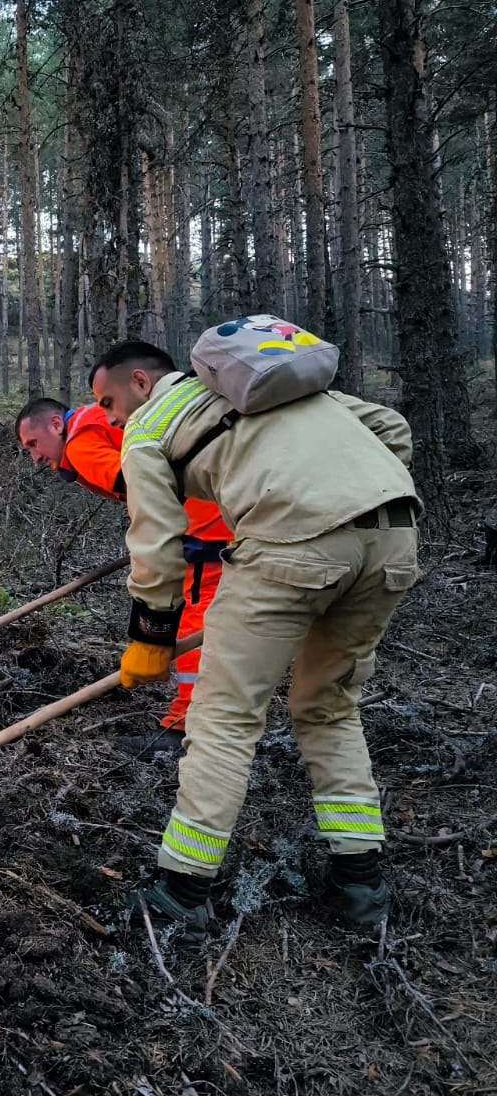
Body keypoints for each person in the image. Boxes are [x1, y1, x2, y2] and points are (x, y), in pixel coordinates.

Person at [89, 339, 419, 942]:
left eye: (110, 402)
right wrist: (354, 502)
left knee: (223, 718)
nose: (110, 419)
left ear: (141, 384)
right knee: (329, 708)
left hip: (289, 549)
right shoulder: (279, 390)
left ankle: (182, 891)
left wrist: (151, 636)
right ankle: (359, 881)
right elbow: (389, 425)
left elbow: (157, 548)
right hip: (393, 537)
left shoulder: (147, 428)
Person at [16, 391, 232, 758]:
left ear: (56, 424)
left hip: (204, 530)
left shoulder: (81, 443)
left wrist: (155, 540)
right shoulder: (95, 422)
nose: (35, 457)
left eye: (34, 444)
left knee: (194, 627)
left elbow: (140, 481)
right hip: (211, 516)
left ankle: (188, 729)